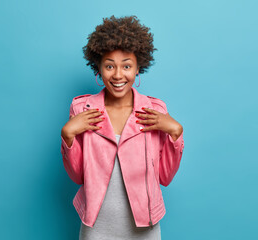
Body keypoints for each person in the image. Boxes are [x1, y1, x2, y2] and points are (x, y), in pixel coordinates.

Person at [61, 15, 185, 240]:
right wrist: (68, 135)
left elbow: (165, 177)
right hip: (96, 227)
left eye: (126, 65)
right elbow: (78, 176)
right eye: (110, 66)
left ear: (138, 68)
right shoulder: (81, 109)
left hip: (144, 228)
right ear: (98, 68)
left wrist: (175, 133)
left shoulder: (154, 110)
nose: (118, 75)